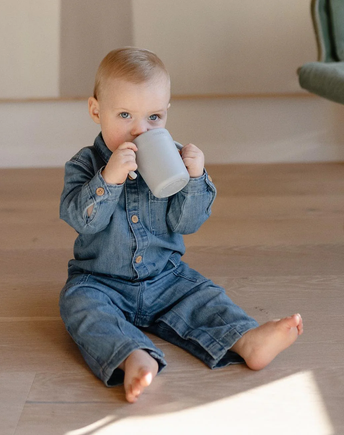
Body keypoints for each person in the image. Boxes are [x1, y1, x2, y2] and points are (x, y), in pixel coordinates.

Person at [59, 47, 303, 403]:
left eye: (154, 117)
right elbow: (81, 220)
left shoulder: (171, 157)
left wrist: (195, 178)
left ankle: (246, 339)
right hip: (101, 281)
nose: (141, 129)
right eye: (125, 114)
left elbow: (187, 223)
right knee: (77, 304)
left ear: (167, 112)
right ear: (97, 110)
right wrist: (108, 180)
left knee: (204, 297)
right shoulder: (84, 165)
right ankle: (132, 355)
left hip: (167, 278)